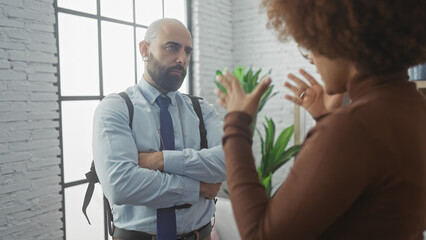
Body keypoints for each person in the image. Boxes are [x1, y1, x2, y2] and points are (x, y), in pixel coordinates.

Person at [215, 0, 426, 239]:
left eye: (311, 43)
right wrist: (326, 119)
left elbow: (259, 234)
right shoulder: (414, 107)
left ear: (341, 36)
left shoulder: (354, 128)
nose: (312, 59)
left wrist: (236, 124)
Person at [93, 18, 225, 240]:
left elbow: (229, 160)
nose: (182, 58)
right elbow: (121, 185)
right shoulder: (116, 108)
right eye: (172, 47)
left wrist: (161, 160)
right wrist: (199, 186)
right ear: (145, 50)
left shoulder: (202, 110)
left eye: (188, 51)